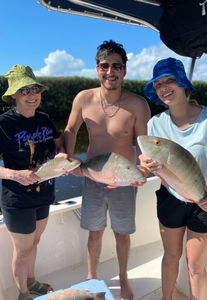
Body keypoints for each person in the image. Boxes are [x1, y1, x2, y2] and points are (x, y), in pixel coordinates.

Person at [63, 40, 150, 300]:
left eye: (117, 66)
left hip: (122, 179)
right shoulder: (84, 98)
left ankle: (124, 278)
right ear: (97, 68)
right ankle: (92, 277)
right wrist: (69, 159)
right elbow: (70, 130)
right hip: (92, 175)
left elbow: (143, 145)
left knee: (122, 233)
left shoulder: (137, 104)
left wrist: (143, 171)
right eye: (105, 65)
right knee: (95, 231)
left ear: (124, 70)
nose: (110, 71)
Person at [140, 57, 207, 300]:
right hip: (171, 199)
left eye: (170, 80)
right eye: (158, 84)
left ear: (183, 83)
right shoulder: (155, 124)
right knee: (170, 258)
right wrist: (145, 165)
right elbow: (152, 166)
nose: (164, 87)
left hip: (206, 200)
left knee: (195, 267)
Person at [0, 65, 63, 300]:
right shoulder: (4, 124)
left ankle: (32, 281)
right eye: (24, 90)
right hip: (17, 199)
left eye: (34, 88)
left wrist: (63, 158)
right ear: (14, 95)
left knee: (34, 243)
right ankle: (23, 294)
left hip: (43, 194)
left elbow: (58, 144)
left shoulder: (45, 119)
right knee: (22, 250)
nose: (31, 94)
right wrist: (16, 174)